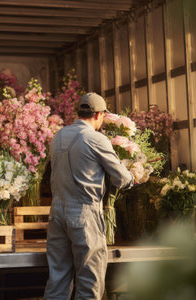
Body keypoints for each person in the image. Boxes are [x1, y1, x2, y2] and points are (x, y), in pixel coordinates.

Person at [44, 92, 134, 299]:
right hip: (84, 215)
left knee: (57, 279)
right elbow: (121, 178)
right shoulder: (96, 139)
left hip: (57, 214)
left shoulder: (58, 137)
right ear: (98, 114)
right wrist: (132, 177)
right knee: (89, 281)